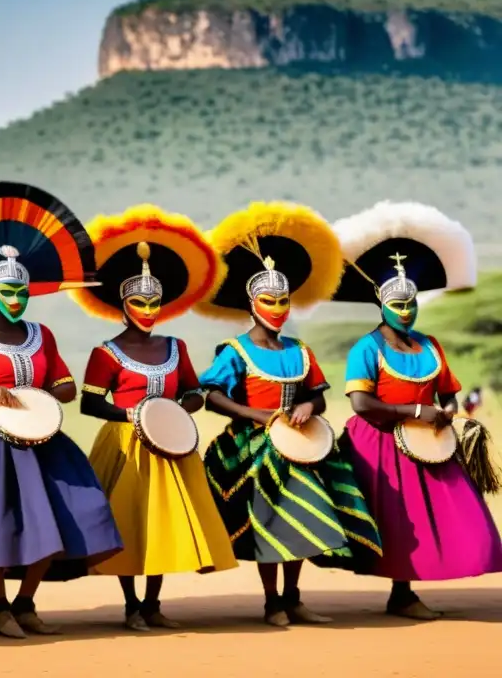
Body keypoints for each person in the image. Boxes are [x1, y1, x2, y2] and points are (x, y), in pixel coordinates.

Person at [0, 181, 123, 639]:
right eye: (8, 291)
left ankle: (26, 602)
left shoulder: (43, 336)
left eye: (23, 291)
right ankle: (0, 606)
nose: (17, 298)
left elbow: (63, 383)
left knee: (65, 512)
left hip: (44, 440)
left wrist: (52, 394)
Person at [194, 202, 381, 627]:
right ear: (251, 301)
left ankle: (294, 598)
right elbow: (211, 395)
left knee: (304, 516)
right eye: (269, 299)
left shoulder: (300, 350)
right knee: (269, 521)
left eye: (284, 300)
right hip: (254, 449)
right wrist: (256, 416)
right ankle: (272, 602)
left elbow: (318, 396)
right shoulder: (234, 350)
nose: (278, 307)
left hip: (301, 444)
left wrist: (305, 406)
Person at [330, 201, 502, 619]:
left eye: (411, 304)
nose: (406, 310)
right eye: (398, 304)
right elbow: (360, 403)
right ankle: (402, 593)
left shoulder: (429, 345)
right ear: (382, 304)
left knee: (460, 517)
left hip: (430, 440)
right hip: (379, 444)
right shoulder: (366, 348)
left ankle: (410, 589)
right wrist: (415, 411)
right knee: (397, 521)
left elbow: (447, 390)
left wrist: (447, 411)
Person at [71, 205, 238, 631]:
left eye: (154, 302)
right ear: (123, 304)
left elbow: (194, 391)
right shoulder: (105, 352)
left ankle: (152, 603)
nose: (147, 309)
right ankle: (130, 605)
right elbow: (89, 404)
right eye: (139, 302)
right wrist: (134, 412)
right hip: (125, 444)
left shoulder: (175, 346)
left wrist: (181, 409)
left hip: (171, 445)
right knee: (129, 520)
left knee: (162, 522)